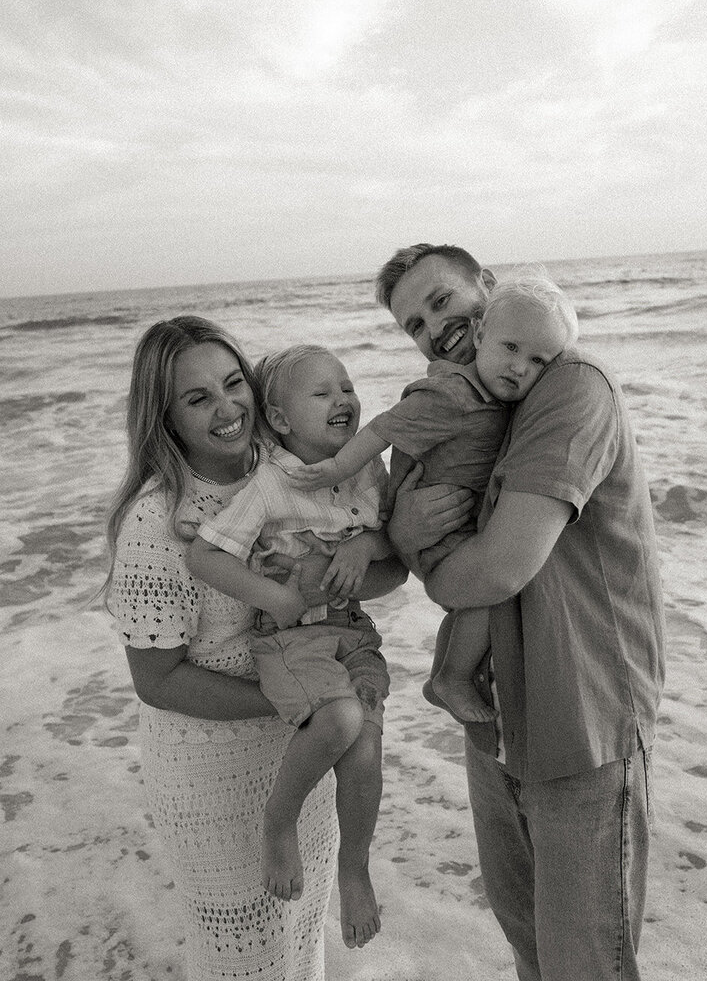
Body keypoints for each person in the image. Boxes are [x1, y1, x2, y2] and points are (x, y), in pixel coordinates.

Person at [376, 244, 666, 981]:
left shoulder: (570, 387)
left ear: (488, 284)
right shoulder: (473, 405)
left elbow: (494, 567)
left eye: (441, 301)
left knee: (585, 965)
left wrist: (424, 558)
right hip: (495, 721)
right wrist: (406, 536)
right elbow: (405, 531)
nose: (435, 330)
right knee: (533, 952)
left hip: (580, 725)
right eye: (415, 324)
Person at [103, 316, 407, 978]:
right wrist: (300, 708)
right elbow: (157, 681)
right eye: (198, 398)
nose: (226, 407)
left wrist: (360, 551)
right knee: (245, 961)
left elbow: (378, 577)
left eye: (233, 383)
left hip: (306, 753)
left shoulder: (293, 472)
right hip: (216, 776)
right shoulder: (157, 519)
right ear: (165, 418)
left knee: (300, 944)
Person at [289, 276, 578, 724]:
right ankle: (451, 677)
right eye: (417, 325)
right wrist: (339, 468)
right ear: (485, 335)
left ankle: (447, 675)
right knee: (488, 597)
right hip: (443, 531)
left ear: (483, 294)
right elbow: (385, 427)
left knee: (475, 601)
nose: (520, 367)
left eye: (443, 300)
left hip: (441, 531)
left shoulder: (532, 385)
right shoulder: (455, 393)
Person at [186, 345, 392, 950]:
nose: (344, 400)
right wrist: (273, 600)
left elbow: (391, 547)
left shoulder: (365, 471)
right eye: (323, 393)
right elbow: (205, 554)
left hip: (353, 632)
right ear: (279, 420)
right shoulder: (270, 484)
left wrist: (361, 548)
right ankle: (279, 822)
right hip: (292, 640)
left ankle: (356, 868)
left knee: (366, 750)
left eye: (348, 387)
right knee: (342, 717)